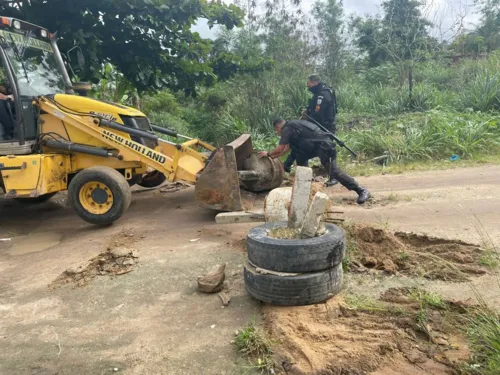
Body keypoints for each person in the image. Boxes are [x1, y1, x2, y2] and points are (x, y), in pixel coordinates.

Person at [259, 118, 370, 205]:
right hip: (312, 148)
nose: (277, 132)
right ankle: (307, 195)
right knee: (301, 165)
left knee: (334, 172)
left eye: (276, 130)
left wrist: (268, 154)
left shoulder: (287, 129)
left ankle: (361, 190)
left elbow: (280, 148)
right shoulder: (292, 126)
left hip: (324, 147)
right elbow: (285, 149)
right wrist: (272, 158)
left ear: (279, 126)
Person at [283, 74, 338, 176]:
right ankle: (288, 167)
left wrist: (306, 117)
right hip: (318, 127)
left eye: (309, 86)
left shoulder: (323, 95)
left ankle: (333, 176)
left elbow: (317, 114)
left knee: (327, 151)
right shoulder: (321, 92)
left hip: (324, 128)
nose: (308, 88)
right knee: (299, 146)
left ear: (315, 83)